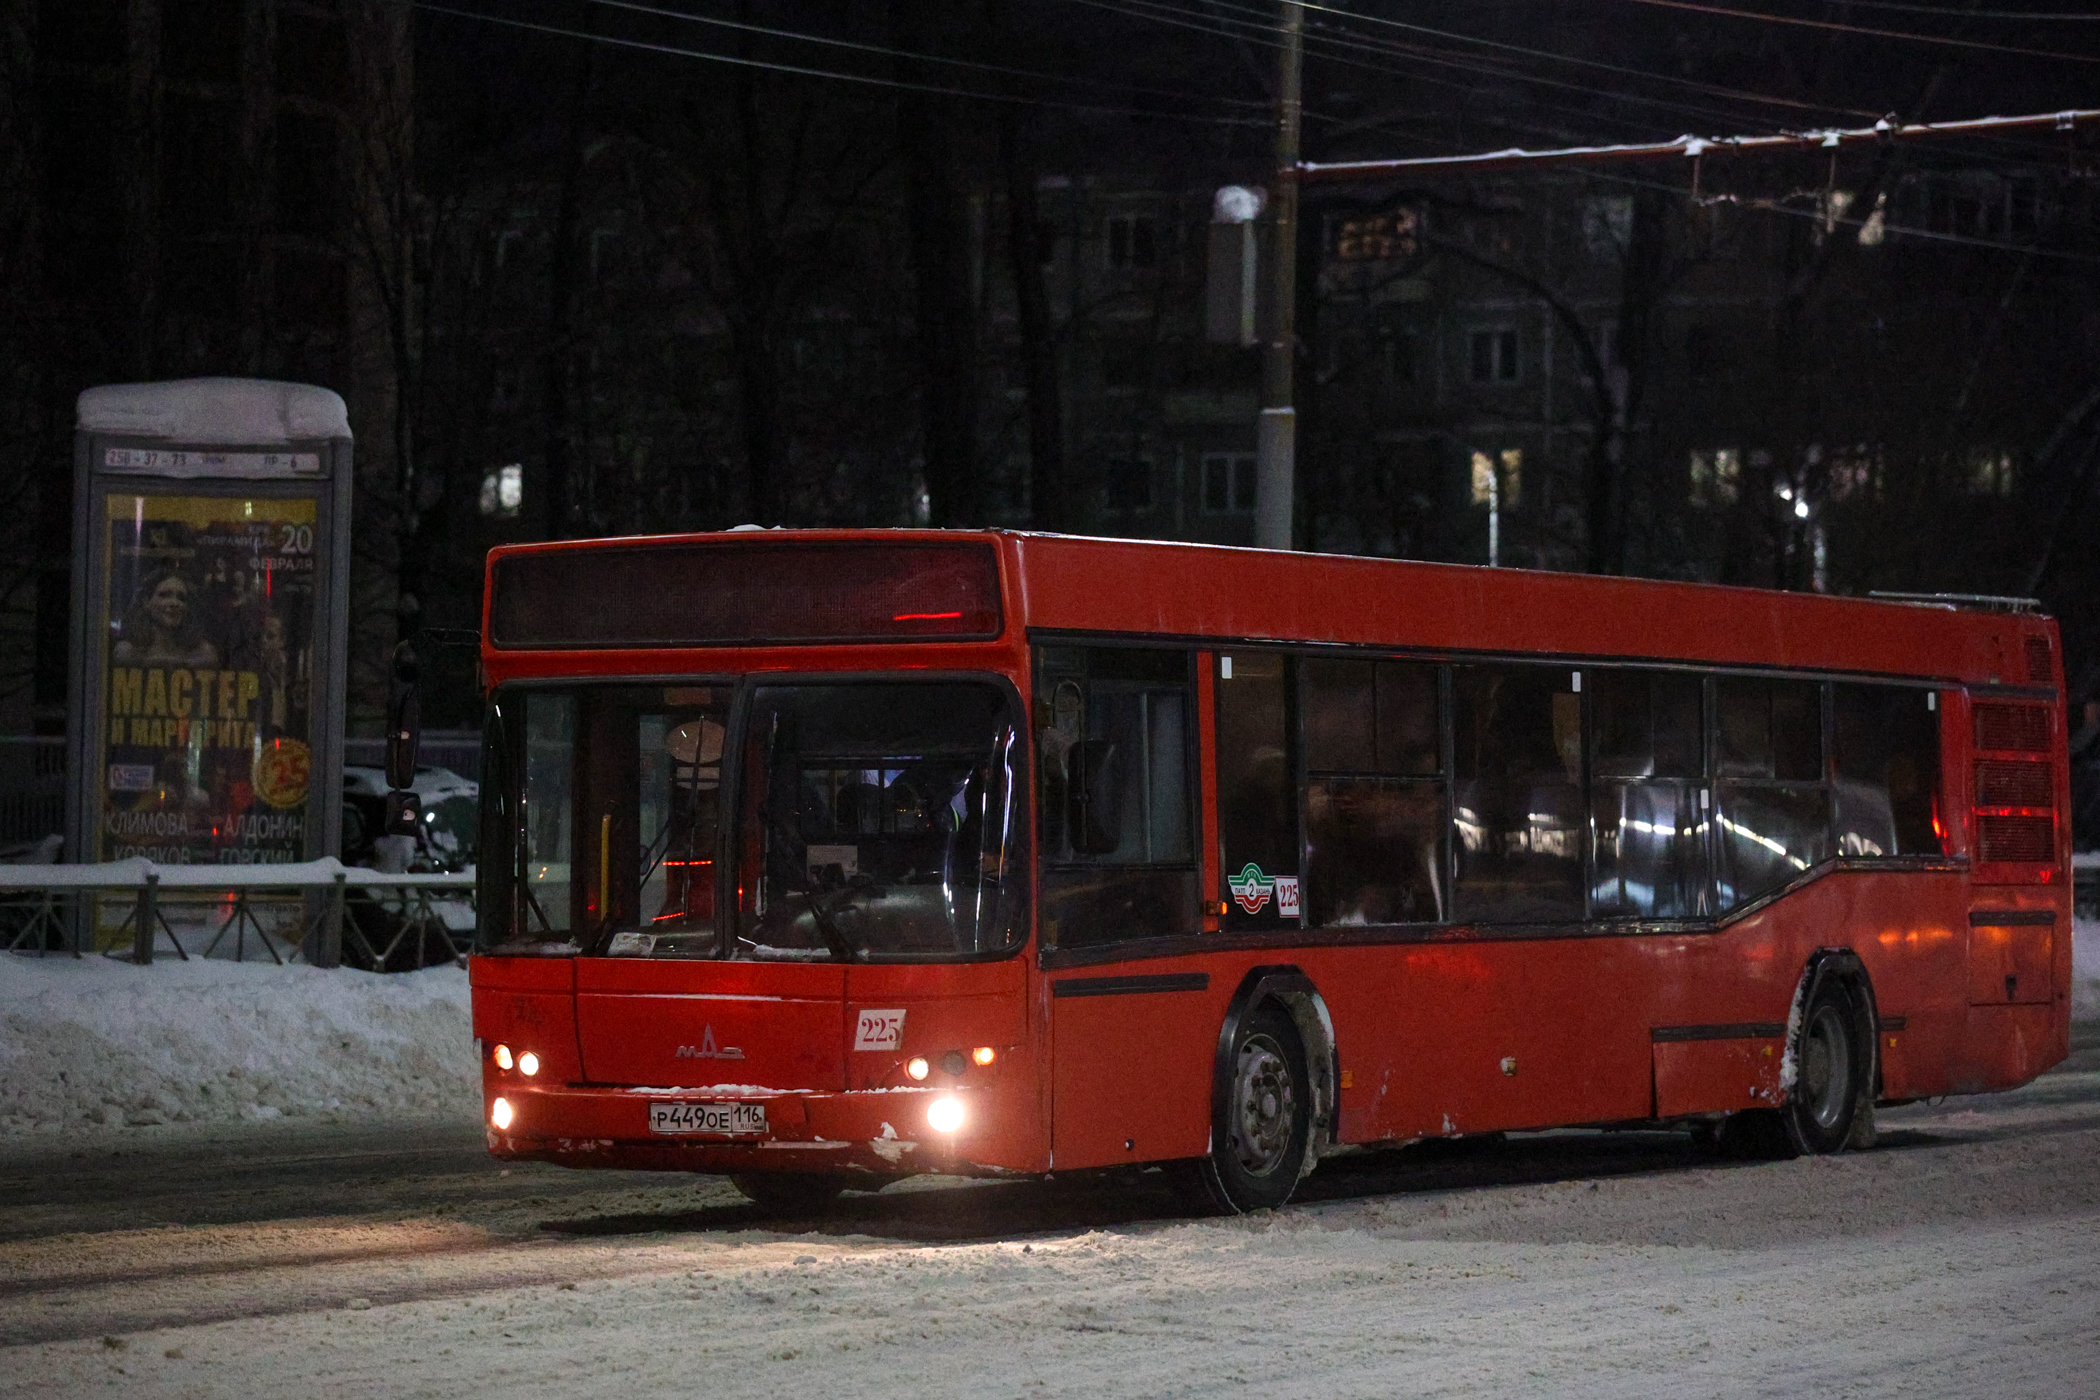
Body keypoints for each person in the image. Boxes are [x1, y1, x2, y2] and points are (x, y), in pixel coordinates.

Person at [113, 569, 220, 667]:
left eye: (181, 598)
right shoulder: (128, 651)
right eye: (164, 595)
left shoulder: (202, 652)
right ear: (146, 602)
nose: (174, 603)